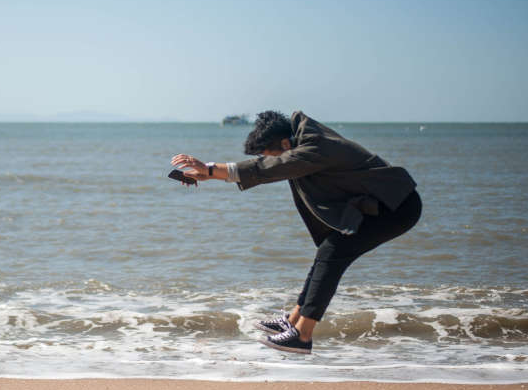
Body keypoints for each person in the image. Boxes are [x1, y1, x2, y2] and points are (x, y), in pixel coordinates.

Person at [171, 110, 421, 354]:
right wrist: (210, 174)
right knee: (328, 252)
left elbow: (272, 167)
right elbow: (272, 164)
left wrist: (211, 170)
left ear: (283, 142)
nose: (268, 159)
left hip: (397, 206)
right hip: (378, 205)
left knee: (333, 253)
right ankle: (292, 322)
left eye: (268, 154)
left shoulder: (315, 148)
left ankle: (302, 335)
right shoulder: (300, 142)